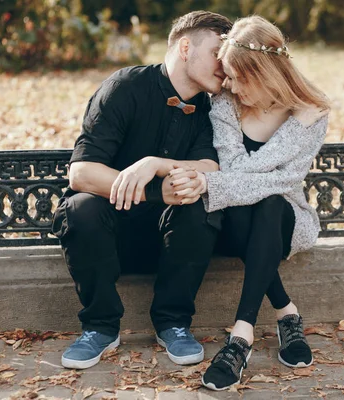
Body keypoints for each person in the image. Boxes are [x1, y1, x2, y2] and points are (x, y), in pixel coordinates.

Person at [51, 11, 232, 370]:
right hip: (109, 239)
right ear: (185, 47)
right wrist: (154, 192)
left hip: (173, 244)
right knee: (81, 208)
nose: (224, 64)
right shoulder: (125, 87)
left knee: (198, 202)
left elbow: (211, 167)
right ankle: (100, 328)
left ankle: (174, 323)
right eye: (217, 52)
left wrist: (160, 166)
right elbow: (82, 173)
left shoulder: (213, 107)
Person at [169, 15, 330, 390]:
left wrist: (211, 183)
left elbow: (284, 181)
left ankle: (239, 338)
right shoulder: (224, 103)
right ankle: (284, 313)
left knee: (271, 203)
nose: (230, 86)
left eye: (240, 78)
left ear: (267, 72)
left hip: (285, 218)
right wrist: (222, 180)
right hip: (236, 218)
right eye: (228, 75)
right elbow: (236, 168)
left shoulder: (311, 112)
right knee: (252, 204)